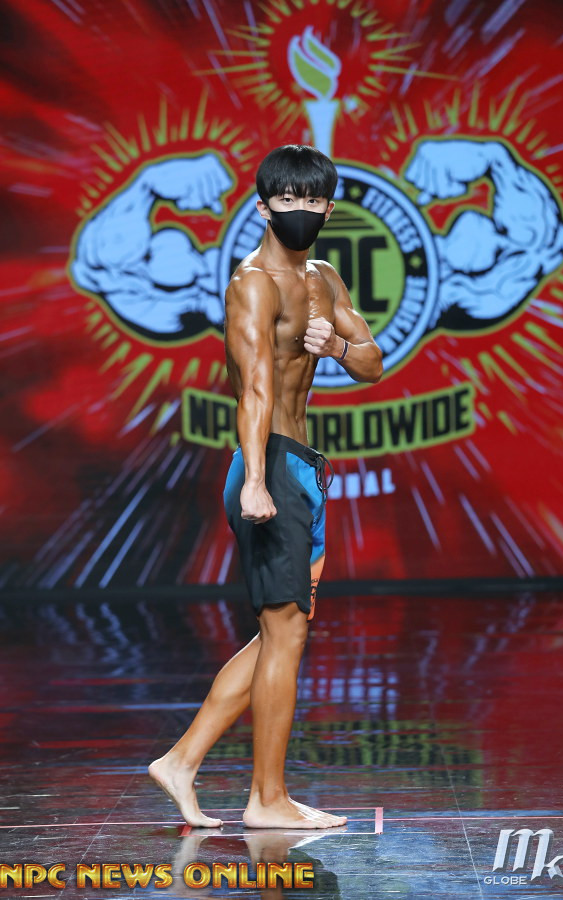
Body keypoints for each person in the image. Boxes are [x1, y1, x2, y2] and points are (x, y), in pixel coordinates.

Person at [149, 144, 383, 829]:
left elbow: (372, 362)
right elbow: (253, 389)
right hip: (270, 466)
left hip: (303, 465)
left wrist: (336, 348)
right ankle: (267, 800)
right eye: (287, 199)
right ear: (263, 206)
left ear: (329, 209)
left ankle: (182, 761)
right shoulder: (251, 284)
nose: (299, 210)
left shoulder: (325, 278)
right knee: (286, 633)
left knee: (284, 630)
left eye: (312, 200)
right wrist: (255, 480)